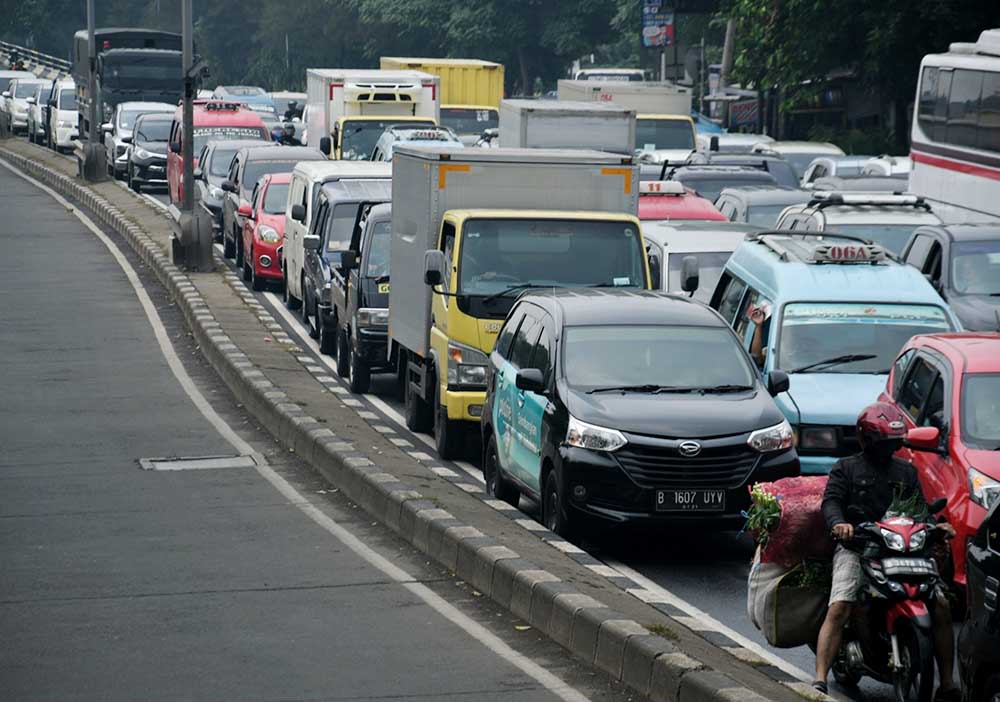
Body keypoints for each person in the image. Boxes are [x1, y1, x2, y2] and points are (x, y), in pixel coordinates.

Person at [813, 401, 959, 700]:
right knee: (840, 605)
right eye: (883, 441)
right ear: (866, 439)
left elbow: (920, 510)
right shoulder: (846, 468)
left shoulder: (907, 471)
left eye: (892, 442)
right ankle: (819, 679)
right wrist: (840, 524)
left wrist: (936, 527)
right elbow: (831, 502)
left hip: (903, 551)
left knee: (942, 604)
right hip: (858, 548)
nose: (887, 448)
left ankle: (947, 683)